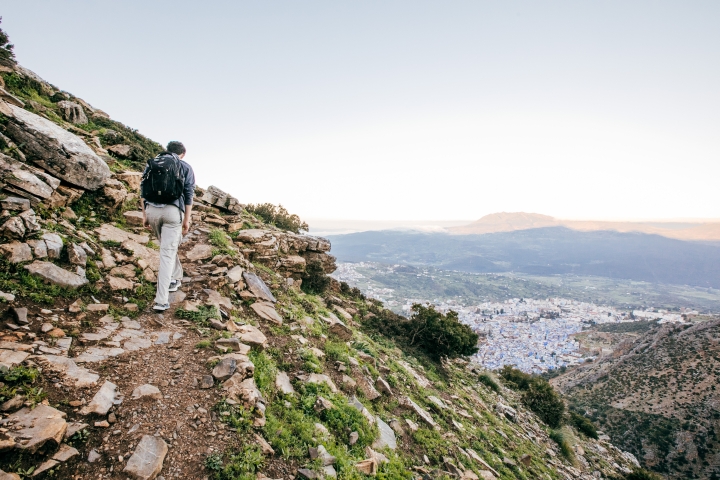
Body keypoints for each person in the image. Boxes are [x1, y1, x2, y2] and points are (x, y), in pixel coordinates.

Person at [140, 141, 196, 311]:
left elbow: (142, 188)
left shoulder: (153, 163)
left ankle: (175, 276)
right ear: (183, 154)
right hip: (173, 212)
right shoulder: (185, 166)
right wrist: (186, 219)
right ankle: (161, 300)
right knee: (167, 253)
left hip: (152, 210)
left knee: (168, 249)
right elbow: (188, 194)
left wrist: (145, 214)